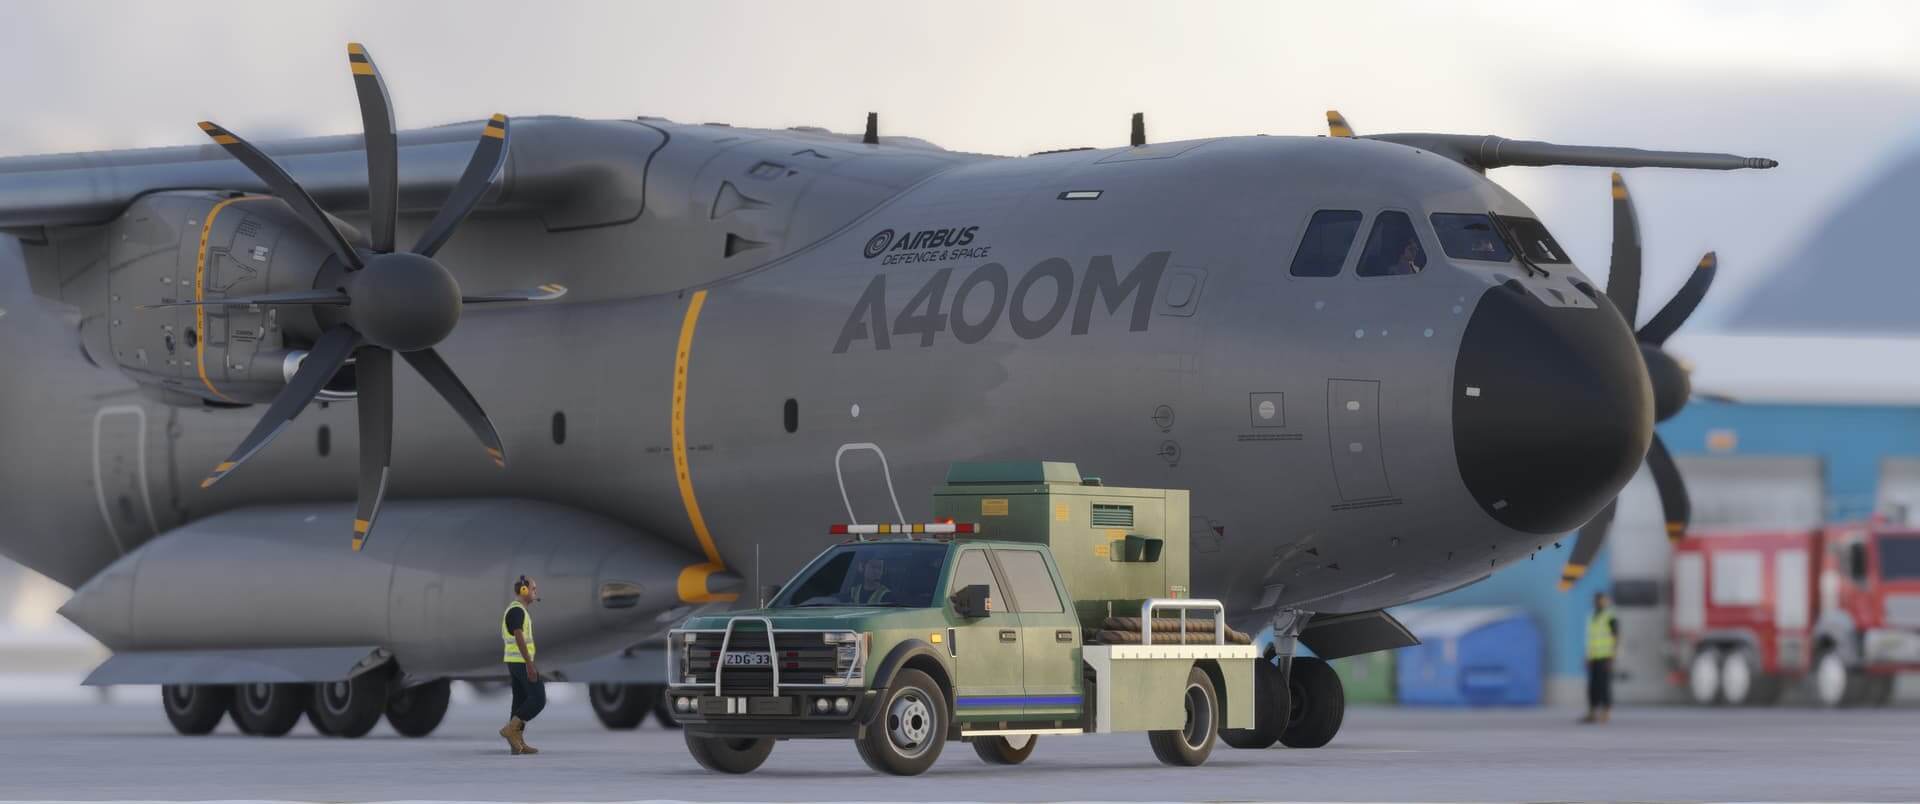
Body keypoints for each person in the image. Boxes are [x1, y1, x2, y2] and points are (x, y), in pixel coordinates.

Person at [500, 575, 544, 754]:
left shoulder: (518, 610)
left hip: (515, 661)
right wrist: (529, 664)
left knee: (519, 701)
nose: (535, 592)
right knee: (538, 699)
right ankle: (511, 730)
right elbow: (518, 636)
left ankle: (516, 745)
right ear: (524, 590)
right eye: (533, 589)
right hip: (520, 662)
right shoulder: (517, 611)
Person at [1582, 591, 1619, 724]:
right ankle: (1592, 712)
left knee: (1604, 686)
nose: (1598, 602)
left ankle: (1606, 712)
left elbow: (1616, 637)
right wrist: (1587, 656)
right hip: (1593, 657)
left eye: (1601, 600)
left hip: (1605, 657)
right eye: (1597, 600)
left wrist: (1613, 656)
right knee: (1593, 687)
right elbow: (1590, 638)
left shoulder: (1610, 616)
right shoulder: (1592, 616)